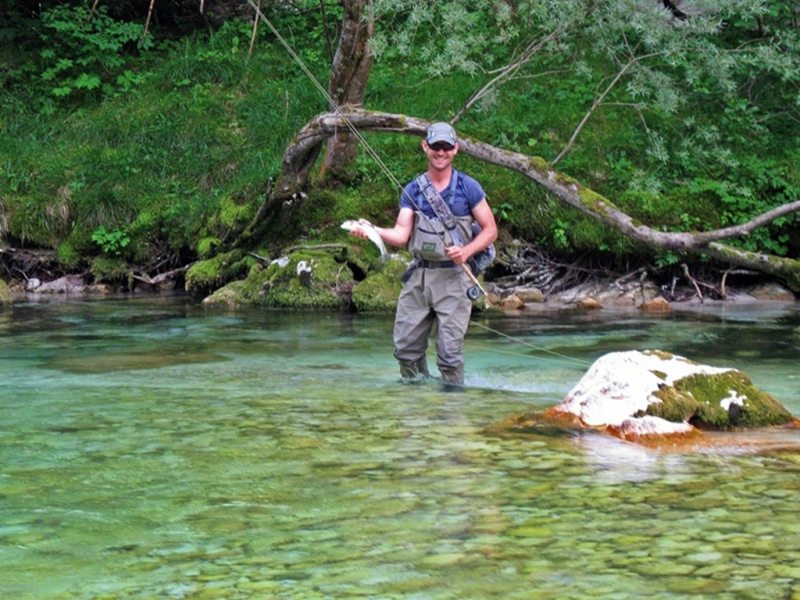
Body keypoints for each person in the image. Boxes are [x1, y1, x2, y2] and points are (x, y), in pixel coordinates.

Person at [350, 122, 497, 387]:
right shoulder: (413, 189)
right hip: (418, 277)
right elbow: (400, 234)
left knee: (449, 356)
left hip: (454, 279)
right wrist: (372, 230)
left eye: (446, 147)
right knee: (405, 349)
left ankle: (451, 404)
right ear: (425, 146)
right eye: (435, 146)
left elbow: (490, 230)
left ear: (455, 149)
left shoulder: (469, 187)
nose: (441, 152)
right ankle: (417, 400)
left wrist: (466, 251)